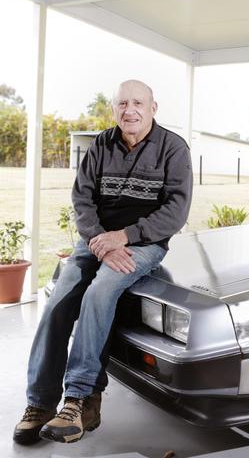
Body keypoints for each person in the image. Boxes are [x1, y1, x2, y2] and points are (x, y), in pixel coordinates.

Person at [13, 80, 193, 445]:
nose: (130, 110)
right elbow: (82, 199)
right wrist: (101, 241)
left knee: (100, 292)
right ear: (114, 109)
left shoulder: (173, 148)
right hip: (96, 240)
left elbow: (176, 211)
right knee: (58, 303)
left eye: (138, 103)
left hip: (143, 242)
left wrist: (123, 237)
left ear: (153, 108)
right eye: (122, 103)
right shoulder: (101, 144)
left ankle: (77, 400)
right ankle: (40, 403)